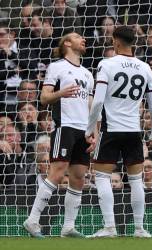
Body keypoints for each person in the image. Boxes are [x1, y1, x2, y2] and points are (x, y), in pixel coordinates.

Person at [85, 26, 152, 238]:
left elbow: (98, 100)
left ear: (115, 41)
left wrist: (90, 129)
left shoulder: (106, 64)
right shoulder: (145, 67)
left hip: (111, 129)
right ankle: (139, 228)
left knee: (101, 177)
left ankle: (110, 227)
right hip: (134, 131)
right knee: (136, 180)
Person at [23, 32, 94, 238]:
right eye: (78, 37)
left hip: (83, 130)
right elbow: (44, 98)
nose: (84, 39)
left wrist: (94, 132)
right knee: (58, 171)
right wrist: (61, 93)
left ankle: (68, 227)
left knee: (79, 177)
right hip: (65, 126)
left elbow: (91, 105)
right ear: (67, 43)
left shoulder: (88, 74)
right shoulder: (56, 67)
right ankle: (33, 220)